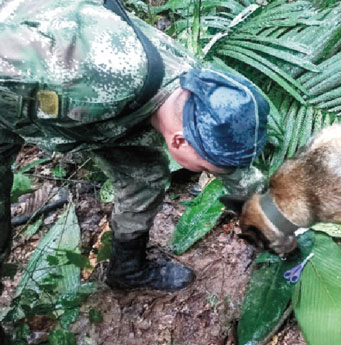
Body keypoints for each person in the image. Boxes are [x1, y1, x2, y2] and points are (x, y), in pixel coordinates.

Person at [0, 0, 268, 320]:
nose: (211, 173)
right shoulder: (88, 80)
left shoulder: (199, 88)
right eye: (207, 169)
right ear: (179, 141)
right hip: (15, 99)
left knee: (145, 176)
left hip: (100, 116)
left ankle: (127, 269)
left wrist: (271, 217)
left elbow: (233, 166)